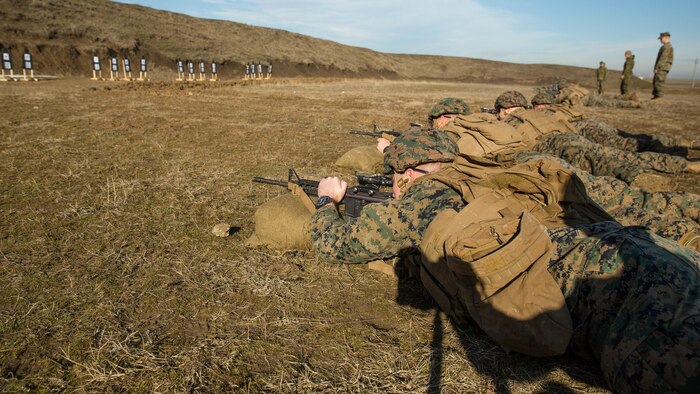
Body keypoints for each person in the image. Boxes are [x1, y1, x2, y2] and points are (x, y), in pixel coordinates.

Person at [309, 128, 700, 393]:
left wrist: (328, 199)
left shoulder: (416, 203)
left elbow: (334, 244)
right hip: (628, 245)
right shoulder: (483, 175)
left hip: (610, 290)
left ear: (407, 173)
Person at [531, 92, 696, 154]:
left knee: (629, 145)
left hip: (588, 130)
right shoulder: (560, 108)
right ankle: (684, 143)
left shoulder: (542, 114)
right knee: (634, 139)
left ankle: (680, 150)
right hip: (594, 124)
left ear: (539, 105)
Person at [653, 32, 674, 100]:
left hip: (662, 67)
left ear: (666, 38)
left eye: (661, 38)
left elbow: (663, 58)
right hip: (662, 67)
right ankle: (656, 96)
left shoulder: (667, 47)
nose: (660, 40)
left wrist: (657, 68)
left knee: (659, 81)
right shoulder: (664, 47)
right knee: (656, 81)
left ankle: (659, 97)